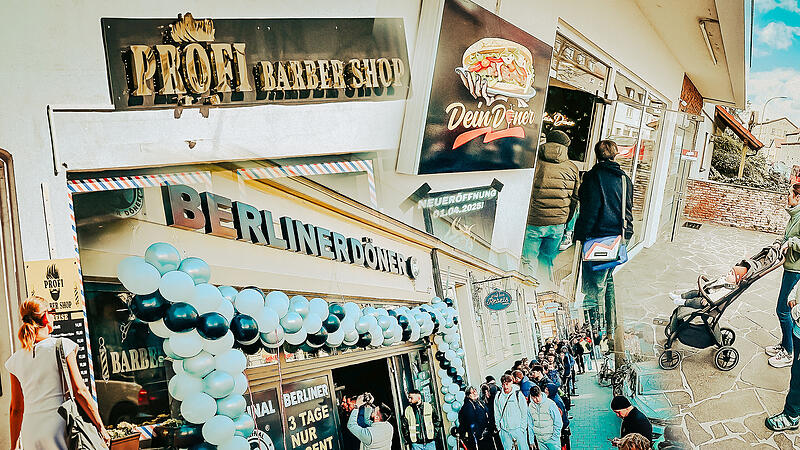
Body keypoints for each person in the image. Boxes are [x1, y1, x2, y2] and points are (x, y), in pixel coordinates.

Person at [6, 296, 110, 449]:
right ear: (45, 317)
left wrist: (13, 446)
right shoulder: (62, 346)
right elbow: (80, 391)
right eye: (52, 312)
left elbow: (16, 409)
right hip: (59, 425)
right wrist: (101, 427)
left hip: (30, 431)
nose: (54, 316)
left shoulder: (15, 360)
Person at [574, 140, 633, 345]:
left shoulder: (593, 177)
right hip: (619, 237)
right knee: (606, 281)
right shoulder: (624, 179)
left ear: (596, 155)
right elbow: (628, 209)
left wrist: (580, 236)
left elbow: (589, 211)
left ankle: (594, 334)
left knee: (594, 288)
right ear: (615, 155)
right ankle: (610, 330)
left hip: (599, 238)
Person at [522, 130, 580, 280]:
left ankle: (528, 292)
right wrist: (566, 221)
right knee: (547, 260)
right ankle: (545, 289)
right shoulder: (572, 168)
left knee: (529, 261)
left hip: (534, 221)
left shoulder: (534, 163)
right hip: (558, 224)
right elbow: (575, 200)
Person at [766, 185, 800, 368]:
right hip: (790, 267)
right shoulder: (795, 215)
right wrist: (779, 242)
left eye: (789, 194)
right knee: (783, 310)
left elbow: (794, 240)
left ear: (798, 197)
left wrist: (791, 243)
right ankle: (785, 343)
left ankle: (788, 351)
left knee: (783, 310)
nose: (787, 197)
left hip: (796, 270)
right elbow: (787, 235)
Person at [669, 264, 748, 308]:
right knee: (693, 293)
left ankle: (684, 302)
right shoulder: (725, 279)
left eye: (732, 274)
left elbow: (718, 296)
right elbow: (714, 283)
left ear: (736, 280)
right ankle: (679, 296)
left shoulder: (728, 289)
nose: (729, 273)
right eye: (730, 271)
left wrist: (708, 299)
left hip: (709, 301)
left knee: (696, 302)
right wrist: (708, 283)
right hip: (708, 292)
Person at [493, 374, 529, 450]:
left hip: (518, 429)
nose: (505, 386)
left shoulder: (518, 394)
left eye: (507, 384)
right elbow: (497, 414)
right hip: (504, 431)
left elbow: (524, 412)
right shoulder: (498, 396)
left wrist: (522, 428)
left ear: (511, 382)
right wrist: (499, 429)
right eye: (503, 384)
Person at [527, 385, 562, 450]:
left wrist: (555, 437)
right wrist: (531, 441)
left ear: (540, 393)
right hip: (540, 441)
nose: (537, 399)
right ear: (531, 396)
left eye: (538, 396)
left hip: (552, 440)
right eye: (534, 397)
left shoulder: (550, 404)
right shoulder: (530, 406)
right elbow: (530, 425)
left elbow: (558, 422)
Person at [544, 383, 570, 450]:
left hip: (561, 428)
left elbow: (560, 417)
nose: (545, 391)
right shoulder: (554, 398)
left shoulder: (556, 402)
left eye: (547, 389)